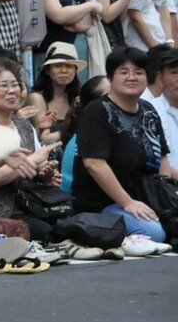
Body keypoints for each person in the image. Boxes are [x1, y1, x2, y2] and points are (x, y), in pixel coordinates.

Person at [72, 47, 173, 246]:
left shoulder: (148, 110)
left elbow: (162, 157)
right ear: (110, 78)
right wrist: (127, 203)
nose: (132, 77)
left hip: (145, 198)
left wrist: (166, 197)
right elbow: (94, 163)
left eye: (138, 72)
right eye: (124, 72)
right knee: (154, 232)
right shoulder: (97, 111)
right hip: (104, 203)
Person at [0, 56, 62, 241]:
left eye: (15, 85)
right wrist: (32, 160)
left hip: (29, 206)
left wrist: (45, 174)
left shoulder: (24, 125)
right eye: (3, 86)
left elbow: (37, 168)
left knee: (65, 221)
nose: (12, 91)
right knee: (49, 232)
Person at [29, 42, 84, 143]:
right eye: (58, 66)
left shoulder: (77, 98)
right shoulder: (37, 98)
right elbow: (42, 138)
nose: (64, 70)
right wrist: (69, 130)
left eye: (69, 66)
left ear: (75, 70)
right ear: (47, 70)